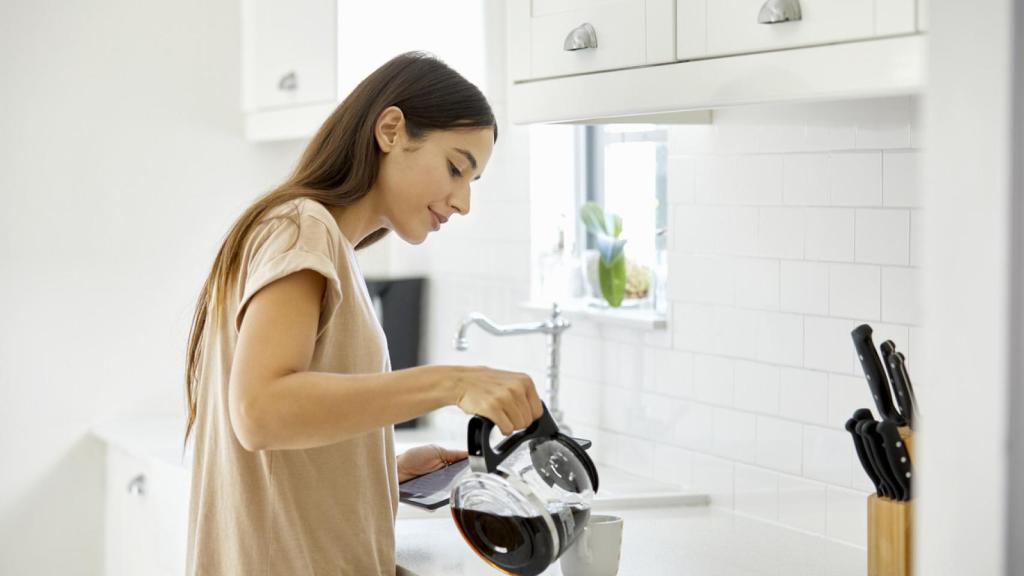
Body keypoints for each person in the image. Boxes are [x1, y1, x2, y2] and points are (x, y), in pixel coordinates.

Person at [182, 52, 544, 575]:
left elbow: (279, 447)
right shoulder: (303, 229)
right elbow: (260, 411)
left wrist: (377, 471)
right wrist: (454, 381)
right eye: (455, 167)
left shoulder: (321, 242)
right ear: (392, 129)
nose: (463, 202)